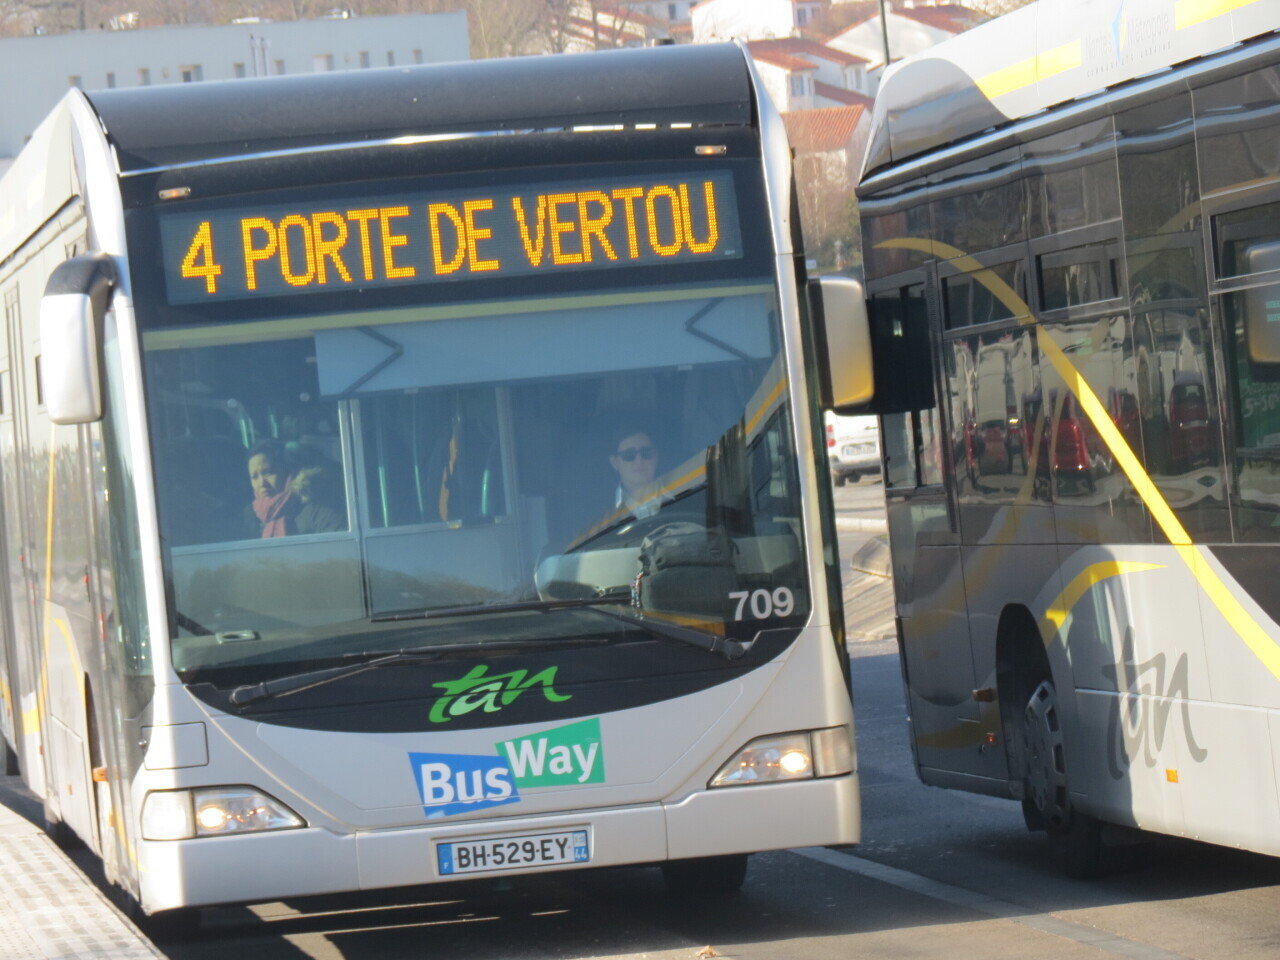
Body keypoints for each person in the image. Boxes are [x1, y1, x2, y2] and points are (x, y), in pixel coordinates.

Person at [244, 439, 344, 538]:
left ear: (286, 470)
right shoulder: (250, 517)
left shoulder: (314, 508)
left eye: (268, 473)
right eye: (254, 477)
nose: (262, 483)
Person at [608, 426, 664, 520]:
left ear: (656, 457)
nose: (639, 461)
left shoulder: (682, 487)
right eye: (629, 455)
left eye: (646, 453)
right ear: (614, 462)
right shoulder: (604, 518)